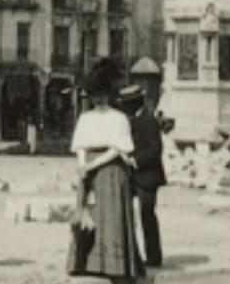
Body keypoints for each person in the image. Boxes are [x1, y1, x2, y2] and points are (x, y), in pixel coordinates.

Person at [69, 59, 146, 283]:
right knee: (88, 216)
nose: (98, 99)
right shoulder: (85, 118)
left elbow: (118, 148)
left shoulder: (119, 118)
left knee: (111, 217)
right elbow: (81, 145)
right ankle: (88, 263)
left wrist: (92, 165)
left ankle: (116, 264)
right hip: (90, 168)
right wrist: (82, 167)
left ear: (109, 94)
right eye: (95, 95)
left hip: (111, 171)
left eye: (102, 94)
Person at [119, 84, 166, 268]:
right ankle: (133, 256)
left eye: (127, 104)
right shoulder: (129, 120)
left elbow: (155, 149)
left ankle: (154, 258)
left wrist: (134, 160)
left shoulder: (149, 120)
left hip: (147, 177)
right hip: (132, 176)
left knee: (147, 216)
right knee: (126, 215)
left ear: (134, 103)